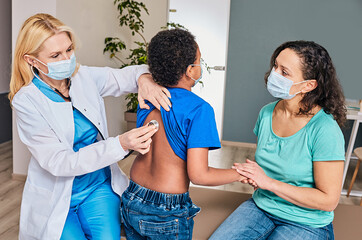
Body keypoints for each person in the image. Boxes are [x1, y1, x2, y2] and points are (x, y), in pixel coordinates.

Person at [10, 13, 172, 240]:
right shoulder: (26, 101)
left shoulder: (83, 77)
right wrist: (121, 143)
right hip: (58, 195)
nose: (66, 60)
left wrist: (144, 81)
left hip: (98, 187)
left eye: (69, 49)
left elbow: (130, 74)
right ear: (31, 60)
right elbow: (61, 162)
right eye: (55, 55)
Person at [210, 40, 346, 240]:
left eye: (284, 72)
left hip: (306, 221)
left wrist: (268, 182)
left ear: (308, 85)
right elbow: (271, 165)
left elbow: (328, 201)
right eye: (275, 66)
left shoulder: (325, 129)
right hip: (262, 207)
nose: (274, 74)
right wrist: (253, 175)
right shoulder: (266, 113)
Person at [120, 29, 248, 240]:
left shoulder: (147, 97)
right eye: (199, 61)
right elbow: (200, 175)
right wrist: (242, 173)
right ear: (190, 71)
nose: (200, 65)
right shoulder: (199, 109)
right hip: (165, 211)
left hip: (132, 195)